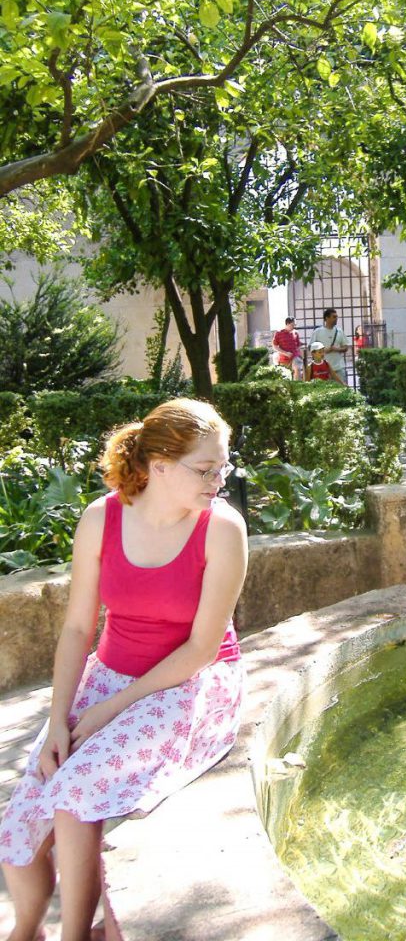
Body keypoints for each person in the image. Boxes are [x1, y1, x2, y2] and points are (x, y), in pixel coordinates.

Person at [0, 398, 248, 941]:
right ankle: (25, 930)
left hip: (186, 684)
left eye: (223, 466)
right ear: (159, 466)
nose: (219, 480)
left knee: (74, 794)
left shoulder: (221, 529)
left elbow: (202, 649)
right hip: (108, 672)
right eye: (206, 470)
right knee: (21, 820)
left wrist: (111, 709)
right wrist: (58, 720)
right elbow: (75, 630)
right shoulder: (101, 518)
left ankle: (77, 936)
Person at [310, 308, 349, 384]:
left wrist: (336, 349)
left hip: (338, 367)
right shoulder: (317, 332)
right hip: (323, 369)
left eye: (336, 316)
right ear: (327, 318)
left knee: (340, 390)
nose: (336, 318)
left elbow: (346, 347)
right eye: (334, 317)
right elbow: (311, 348)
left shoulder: (339, 331)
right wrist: (324, 351)